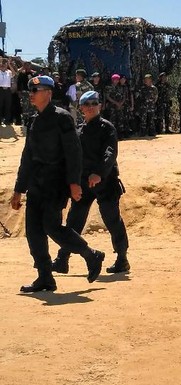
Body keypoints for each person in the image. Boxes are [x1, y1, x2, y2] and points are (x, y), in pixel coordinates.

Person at [9, 76, 104, 292]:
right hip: (35, 183)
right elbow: (27, 156)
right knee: (33, 231)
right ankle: (45, 277)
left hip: (55, 183)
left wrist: (74, 183)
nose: (31, 94)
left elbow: (74, 153)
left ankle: (91, 255)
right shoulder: (33, 120)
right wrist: (18, 189)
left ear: (49, 93)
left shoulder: (62, 118)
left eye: (36, 90)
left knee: (51, 227)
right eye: (30, 90)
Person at [52, 91, 130, 274]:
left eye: (95, 103)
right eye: (87, 104)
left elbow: (110, 153)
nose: (91, 107)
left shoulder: (107, 127)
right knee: (74, 221)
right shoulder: (78, 130)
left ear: (100, 106)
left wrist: (99, 174)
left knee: (112, 220)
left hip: (106, 182)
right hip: (83, 183)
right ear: (81, 108)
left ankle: (122, 258)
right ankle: (62, 259)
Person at [0, 57, 17, 125]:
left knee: (8, 105)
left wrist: (9, 64)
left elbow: (14, 73)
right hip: (0, 89)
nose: (3, 65)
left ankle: (7, 121)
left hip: (7, 90)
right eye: (2, 64)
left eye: (5, 64)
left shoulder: (9, 72)